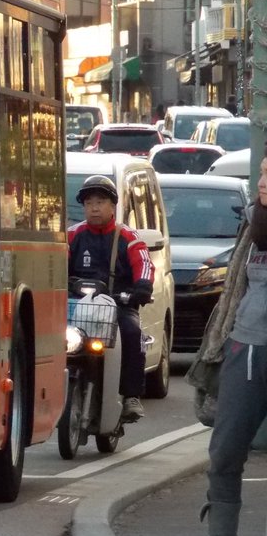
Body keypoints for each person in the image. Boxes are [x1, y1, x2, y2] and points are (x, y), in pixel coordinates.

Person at [191, 153, 267, 536]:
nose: (262, 180)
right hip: (248, 346)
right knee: (224, 451)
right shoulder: (255, 220)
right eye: (262, 171)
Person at [67, 174, 155, 422]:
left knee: (132, 333)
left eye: (100, 201)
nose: (94, 208)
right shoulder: (72, 235)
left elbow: (145, 265)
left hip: (119, 305)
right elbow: (53, 265)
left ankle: (131, 396)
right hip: (77, 308)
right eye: (88, 203)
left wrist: (142, 287)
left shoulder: (127, 236)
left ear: (113, 205)